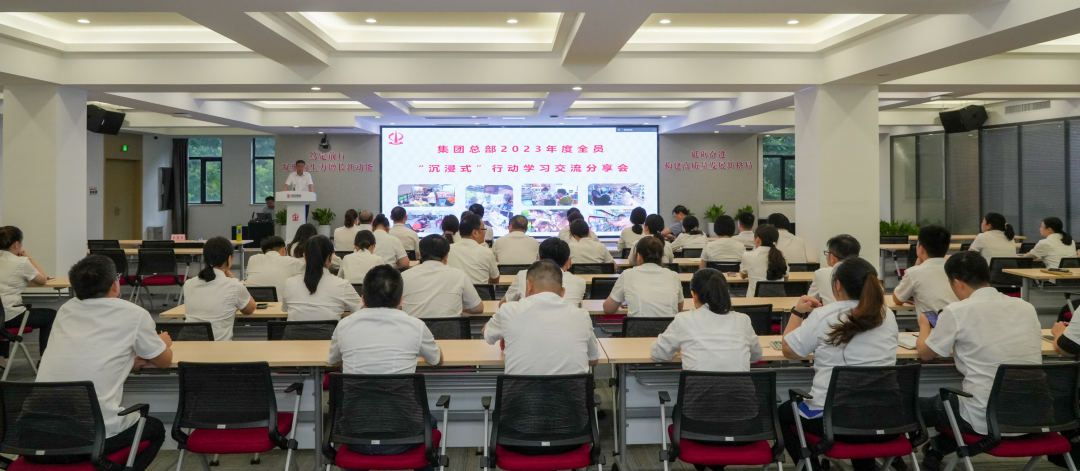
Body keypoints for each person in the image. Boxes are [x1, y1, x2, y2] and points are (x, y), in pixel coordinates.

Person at [33, 255, 171, 471]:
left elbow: (83, 353)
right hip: (89, 439)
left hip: (31, 439)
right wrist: (162, 342)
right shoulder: (134, 314)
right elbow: (164, 361)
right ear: (115, 284)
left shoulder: (65, 310)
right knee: (154, 429)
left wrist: (127, 362)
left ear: (75, 288)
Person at [915, 252, 1042, 471]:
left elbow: (926, 354)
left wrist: (924, 327)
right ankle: (938, 448)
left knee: (918, 404)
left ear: (957, 283)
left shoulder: (957, 311)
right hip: (1034, 416)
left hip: (985, 421)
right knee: (956, 402)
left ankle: (906, 454)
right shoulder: (1026, 307)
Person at [779, 257, 898, 471]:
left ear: (837, 285)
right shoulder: (886, 314)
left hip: (833, 423)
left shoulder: (824, 315)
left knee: (783, 413)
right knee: (859, 409)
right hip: (886, 420)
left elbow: (788, 350)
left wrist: (797, 313)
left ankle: (810, 467)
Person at [484, 260, 600, 375]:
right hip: (571, 388)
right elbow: (593, 359)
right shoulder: (582, 316)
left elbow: (486, 333)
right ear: (562, 292)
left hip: (521, 388)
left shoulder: (508, 310)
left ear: (529, 286)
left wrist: (507, 330)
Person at [329, 265, 442, 374]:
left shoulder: (344, 325)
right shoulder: (417, 327)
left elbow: (333, 361)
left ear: (362, 300)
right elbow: (436, 360)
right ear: (401, 300)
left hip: (354, 388)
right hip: (399, 388)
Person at [651, 268, 761, 370]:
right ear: (726, 293)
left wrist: (677, 349)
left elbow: (658, 353)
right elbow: (756, 355)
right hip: (739, 385)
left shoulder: (683, 319)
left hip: (697, 386)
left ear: (694, 295)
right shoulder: (743, 320)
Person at [181, 237, 256, 341]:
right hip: (219, 347)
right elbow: (250, 309)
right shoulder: (233, 286)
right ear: (229, 258)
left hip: (188, 346)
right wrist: (231, 276)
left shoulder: (189, 284)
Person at [0, 226, 55, 355]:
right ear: (17, 244)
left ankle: (1, 360)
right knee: (51, 315)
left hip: (1, 316)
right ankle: (44, 359)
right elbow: (43, 279)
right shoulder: (20, 262)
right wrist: (28, 257)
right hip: (8, 316)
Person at [282, 236, 363, 321]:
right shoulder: (342, 285)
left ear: (305, 256)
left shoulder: (289, 283)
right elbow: (361, 309)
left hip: (294, 330)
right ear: (331, 258)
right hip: (330, 330)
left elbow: (285, 309)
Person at [402, 235, 484, 318]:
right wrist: (462, 308)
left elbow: (397, 307)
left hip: (413, 326)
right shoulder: (459, 275)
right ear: (446, 257)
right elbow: (478, 308)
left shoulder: (404, 276)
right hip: (449, 326)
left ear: (420, 255)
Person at [604, 237, 683, 317]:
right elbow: (679, 308)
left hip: (637, 325)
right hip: (669, 325)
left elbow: (608, 309)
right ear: (662, 257)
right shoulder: (674, 276)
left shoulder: (627, 275)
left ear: (638, 256)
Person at [892, 225, 959, 316]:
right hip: (960, 321)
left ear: (922, 248)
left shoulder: (914, 273)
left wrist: (916, 266)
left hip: (933, 324)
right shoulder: (956, 270)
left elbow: (897, 299)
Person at [501, 238, 587, 307]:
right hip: (566, 323)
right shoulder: (580, 282)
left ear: (539, 259)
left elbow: (503, 304)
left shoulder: (524, 275)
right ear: (568, 262)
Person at [808, 235, 861, 305]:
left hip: (833, 312)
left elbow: (810, 302)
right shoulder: (864, 271)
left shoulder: (821, 274)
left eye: (827, 253)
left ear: (832, 257)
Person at [448, 214, 500, 284]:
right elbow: (495, 279)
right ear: (475, 232)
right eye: (483, 229)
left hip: (456, 291)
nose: (485, 232)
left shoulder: (448, 250)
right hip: (479, 291)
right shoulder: (487, 253)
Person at [740, 224, 788, 297]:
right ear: (776, 241)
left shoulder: (748, 255)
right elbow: (786, 278)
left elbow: (743, 275)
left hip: (755, 302)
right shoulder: (782, 255)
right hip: (779, 300)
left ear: (758, 239)